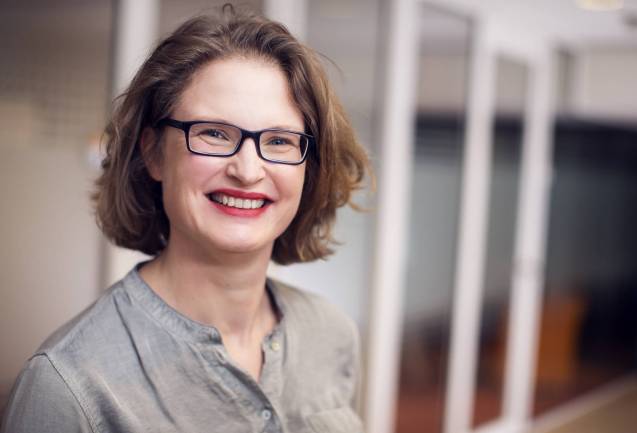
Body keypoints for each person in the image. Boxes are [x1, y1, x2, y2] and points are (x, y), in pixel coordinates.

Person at [1, 5, 371, 433]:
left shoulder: (332, 335)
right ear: (154, 152)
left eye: (279, 141)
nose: (247, 170)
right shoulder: (68, 385)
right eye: (214, 133)